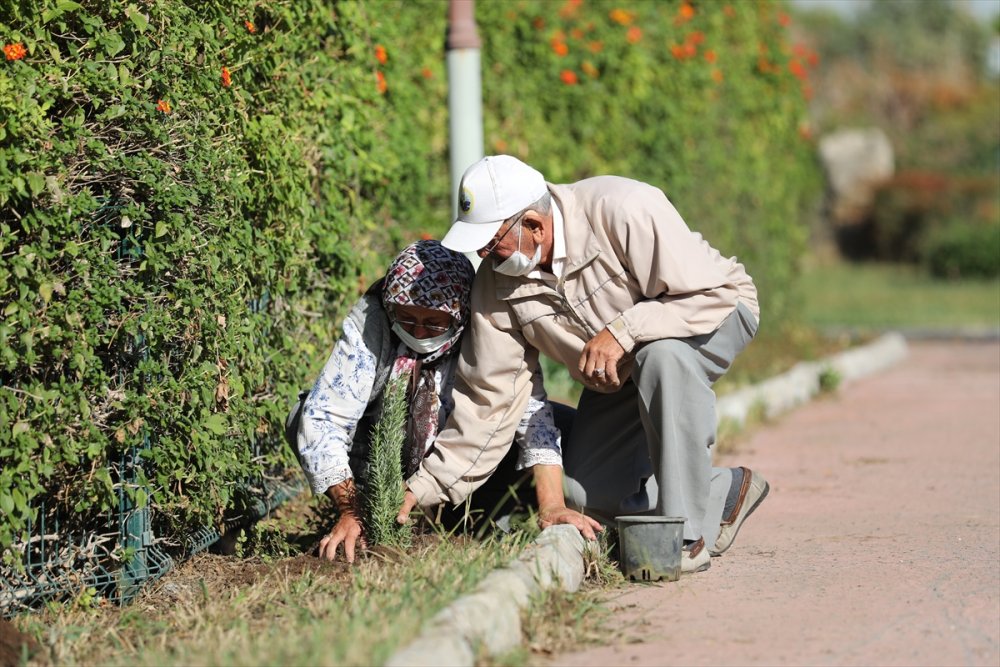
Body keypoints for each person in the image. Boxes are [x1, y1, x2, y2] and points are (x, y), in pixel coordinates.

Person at [396, 156, 769, 574]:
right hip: (620, 375)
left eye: (492, 240)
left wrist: (625, 331)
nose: (484, 253)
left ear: (535, 226)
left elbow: (711, 294)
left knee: (661, 355)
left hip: (712, 317)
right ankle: (724, 490)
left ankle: (684, 536)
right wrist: (424, 487)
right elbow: (490, 400)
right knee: (580, 493)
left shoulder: (623, 208)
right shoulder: (496, 285)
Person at [286, 239, 563, 562]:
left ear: (460, 313)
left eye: (434, 322)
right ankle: (377, 516)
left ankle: (479, 520)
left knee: (563, 428)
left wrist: (552, 505)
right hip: (374, 466)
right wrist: (352, 509)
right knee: (302, 415)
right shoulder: (374, 321)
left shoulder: (490, 329)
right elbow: (326, 415)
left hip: (463, 470)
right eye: (406, 319)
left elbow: (530, 412)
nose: (418, 333)